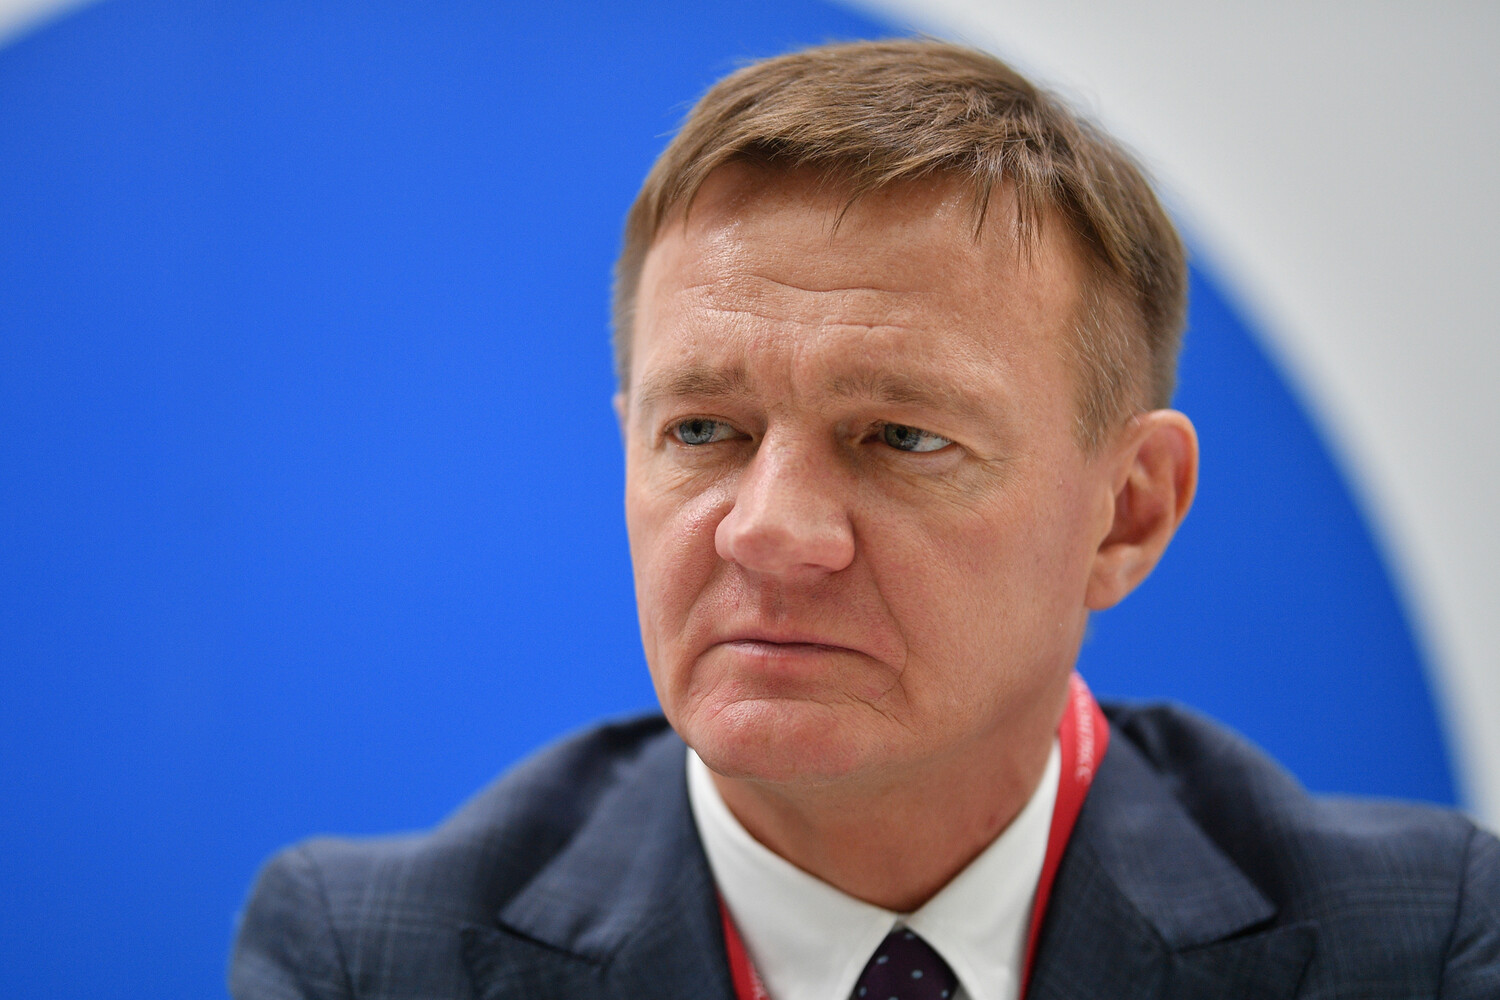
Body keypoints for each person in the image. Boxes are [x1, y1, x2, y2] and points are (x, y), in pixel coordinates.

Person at [230, 38, 1500, 1000]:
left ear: (1128, 513)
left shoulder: (1422, 941)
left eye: (901, 436)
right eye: (703, 432)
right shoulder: (367, 961)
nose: (768, 531)